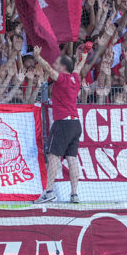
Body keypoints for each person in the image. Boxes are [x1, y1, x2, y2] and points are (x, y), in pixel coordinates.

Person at [32, 46, 87, 204]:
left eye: (58, 63)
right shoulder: (75, 78)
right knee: (72, 158)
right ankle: (74, 194)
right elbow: (79, 66)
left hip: (63, 123)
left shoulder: (62, 78)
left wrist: (37, 56)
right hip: (76, 124)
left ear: (63, 67)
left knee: (53, 156)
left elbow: (48, 69)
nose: (55, 64)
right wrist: (83, 56)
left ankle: (49, 191)